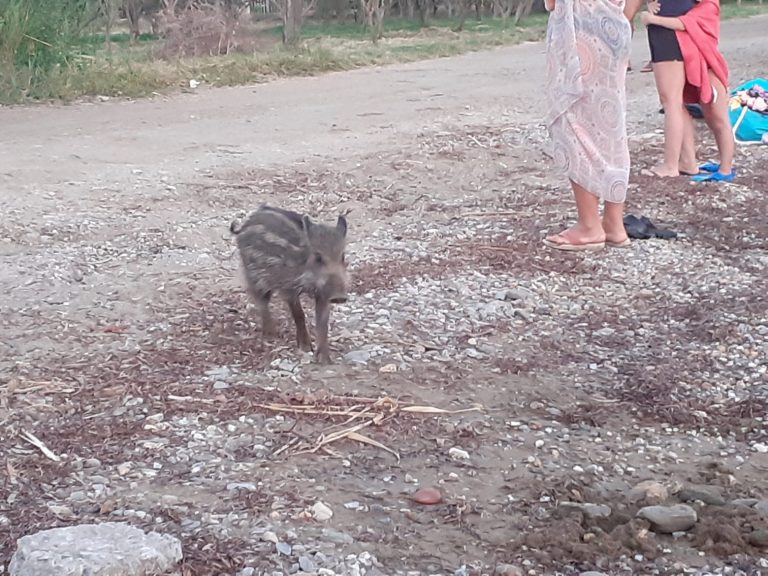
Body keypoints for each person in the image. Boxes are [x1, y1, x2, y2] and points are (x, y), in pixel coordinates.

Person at [542, 0, 633, 251]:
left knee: (574, 123)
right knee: (611, 127)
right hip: (613, 27)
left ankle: (589, 225)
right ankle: (613, 223)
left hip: (581, 30)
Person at [641, 0, 735, 181]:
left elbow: (684, 23)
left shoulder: (708, 6)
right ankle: (688, 162)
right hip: (699, 63)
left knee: (719, 120)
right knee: (685, 107)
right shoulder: (698, 6)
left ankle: (725, 168)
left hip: (710, 69)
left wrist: (652, 19)